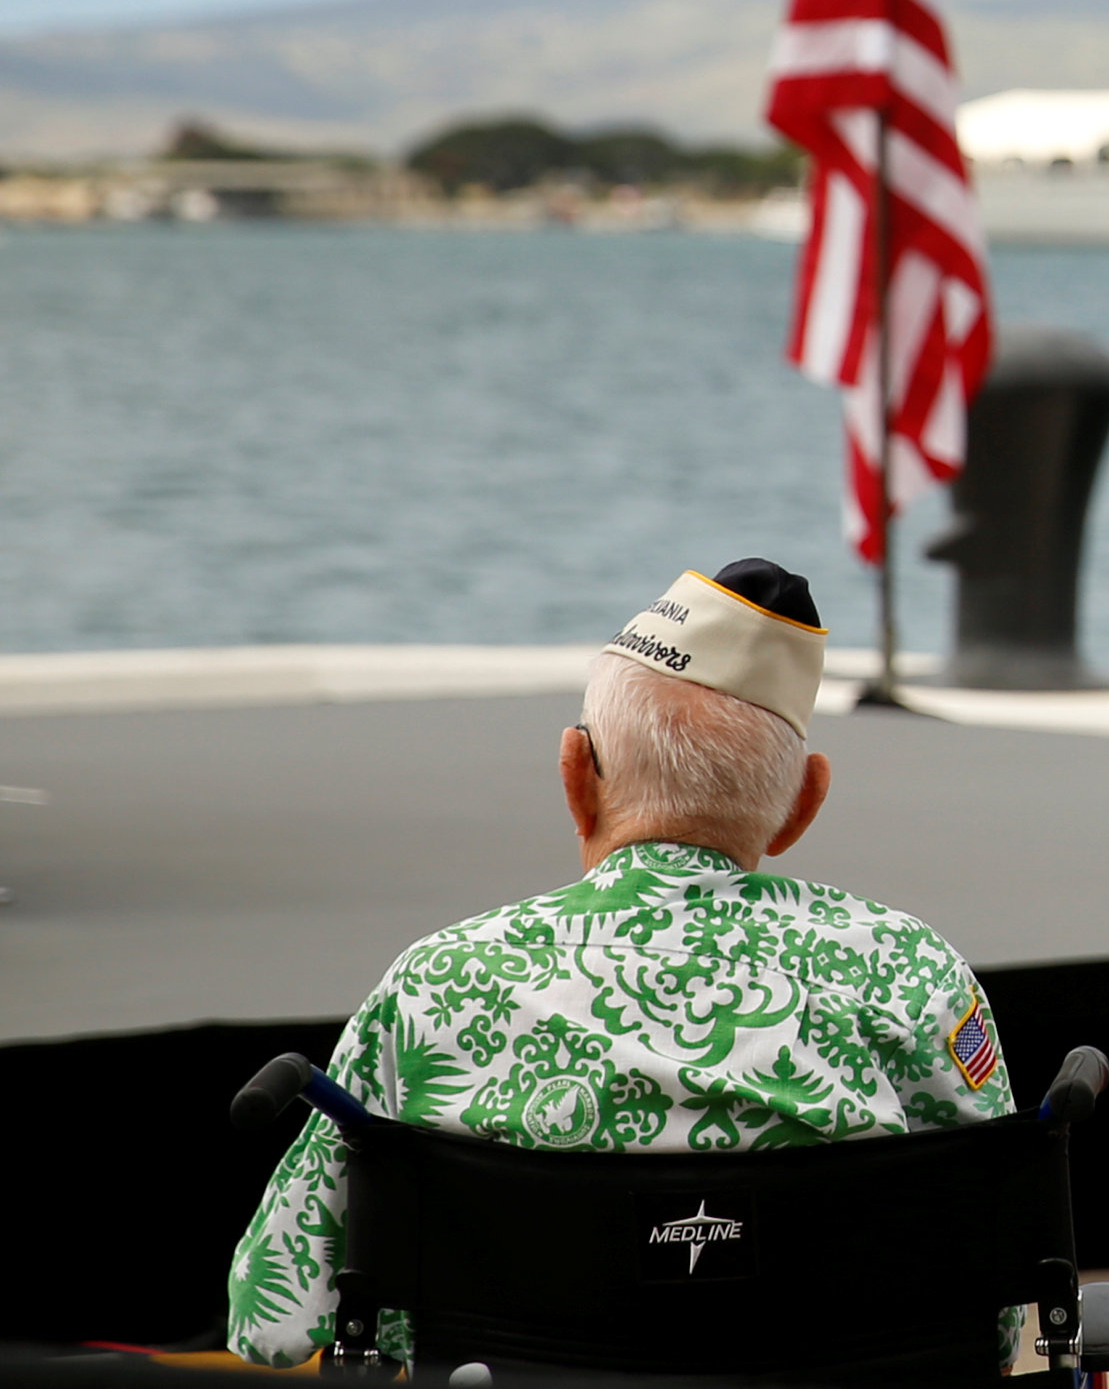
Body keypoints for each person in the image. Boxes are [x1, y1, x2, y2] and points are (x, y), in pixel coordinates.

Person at [226, 560, 1014, 1368]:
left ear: (577, 776)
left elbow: (272, 1320)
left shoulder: (435, 987)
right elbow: (996, 1308)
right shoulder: (911, 972)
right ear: (801, 806)